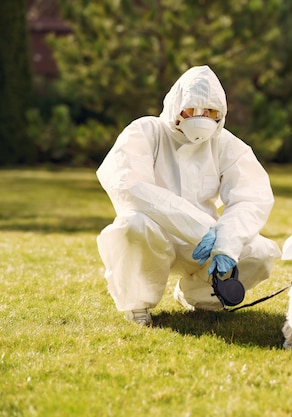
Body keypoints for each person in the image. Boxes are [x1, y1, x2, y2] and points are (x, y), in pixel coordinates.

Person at [96, 65, 281, 325]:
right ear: (176, 105)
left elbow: (252, 197)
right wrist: (197, 227)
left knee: (260, 253)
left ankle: (199, 297)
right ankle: (138, 304)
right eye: (193, 110)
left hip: (205, 245)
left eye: (210, 112)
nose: (201, 117)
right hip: (155, 237)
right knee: (132, 225)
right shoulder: (146, 131)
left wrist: (226, 244)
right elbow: (128, 184)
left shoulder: (227, 144)